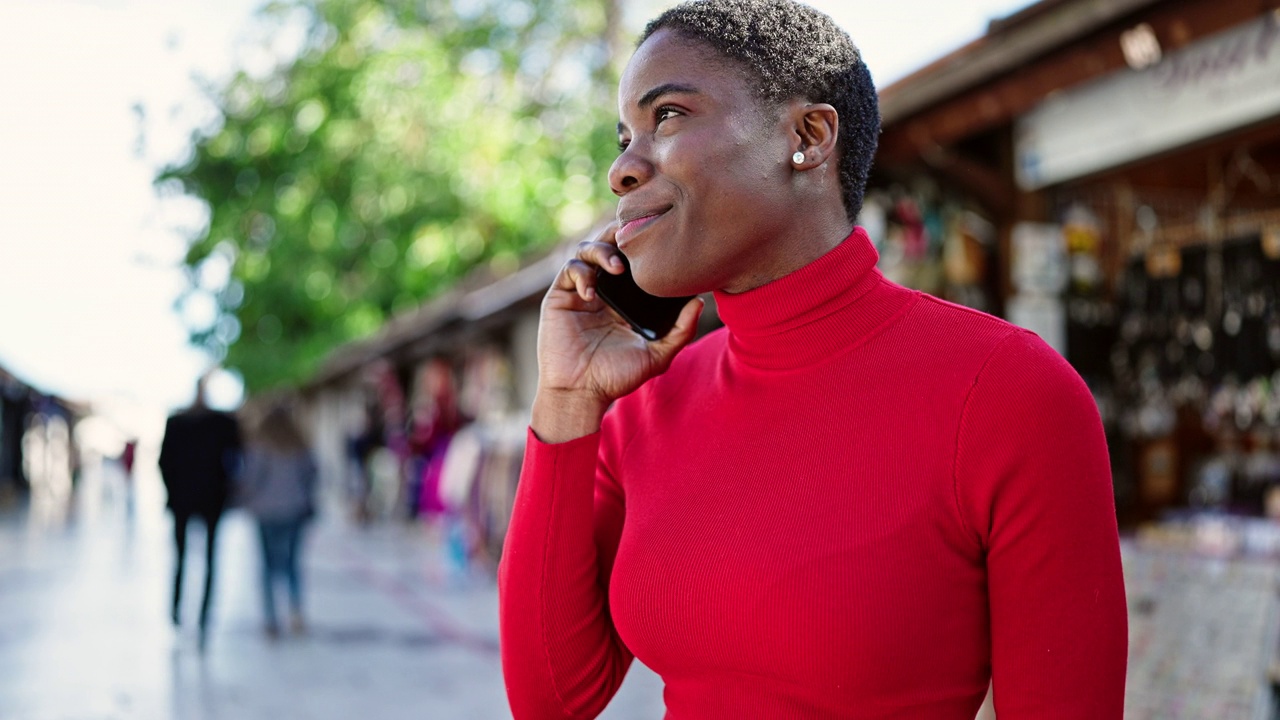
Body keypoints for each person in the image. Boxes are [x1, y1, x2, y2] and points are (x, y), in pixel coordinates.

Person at [497, 1, 1128, 718]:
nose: (622, 169)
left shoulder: (1009, 393)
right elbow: (550, 700)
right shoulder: (645, 408)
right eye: (623, 137)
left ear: (808, 135)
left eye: (666, 116)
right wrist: (566, 399)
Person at [158, 376, 242, 646]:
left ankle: (185, 611)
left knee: (189, 558)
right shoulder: (220, 423)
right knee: (203, 559)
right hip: (207, 499)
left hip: (194, 500)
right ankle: (193, 613)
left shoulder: (186, 423)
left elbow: (165, 462)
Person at [238, 404, 317, 638]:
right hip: (295, 509)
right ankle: (295, 611)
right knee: (292, 564)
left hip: (266, 510)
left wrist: (243, 497)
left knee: (267, 565)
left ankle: (271, 618)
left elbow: (251, 478)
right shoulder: (300, 445)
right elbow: (312, 474)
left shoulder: (260, 446)